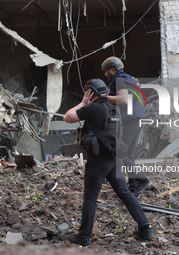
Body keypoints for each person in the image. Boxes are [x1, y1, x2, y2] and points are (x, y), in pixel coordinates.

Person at [63, 79, 154, 247]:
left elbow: (67, 117)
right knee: (126, 193)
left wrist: (82, 103)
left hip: (99, 162)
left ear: (90, 93)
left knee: (90, 197)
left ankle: (84, 237)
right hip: (116, 158)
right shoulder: (114, 108)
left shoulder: (92, 108)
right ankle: (146, 228)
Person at [101, 56, 152, 197]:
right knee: (128, 153)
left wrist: (103, 97)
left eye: (106, 71)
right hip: (137, 118)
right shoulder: (132, 79)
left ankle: (143, 179)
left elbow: (123, 99)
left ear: (112, 69)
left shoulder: (119, 79)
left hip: (129, 120)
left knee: (119, 153)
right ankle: (134, 183)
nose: (105, 75)